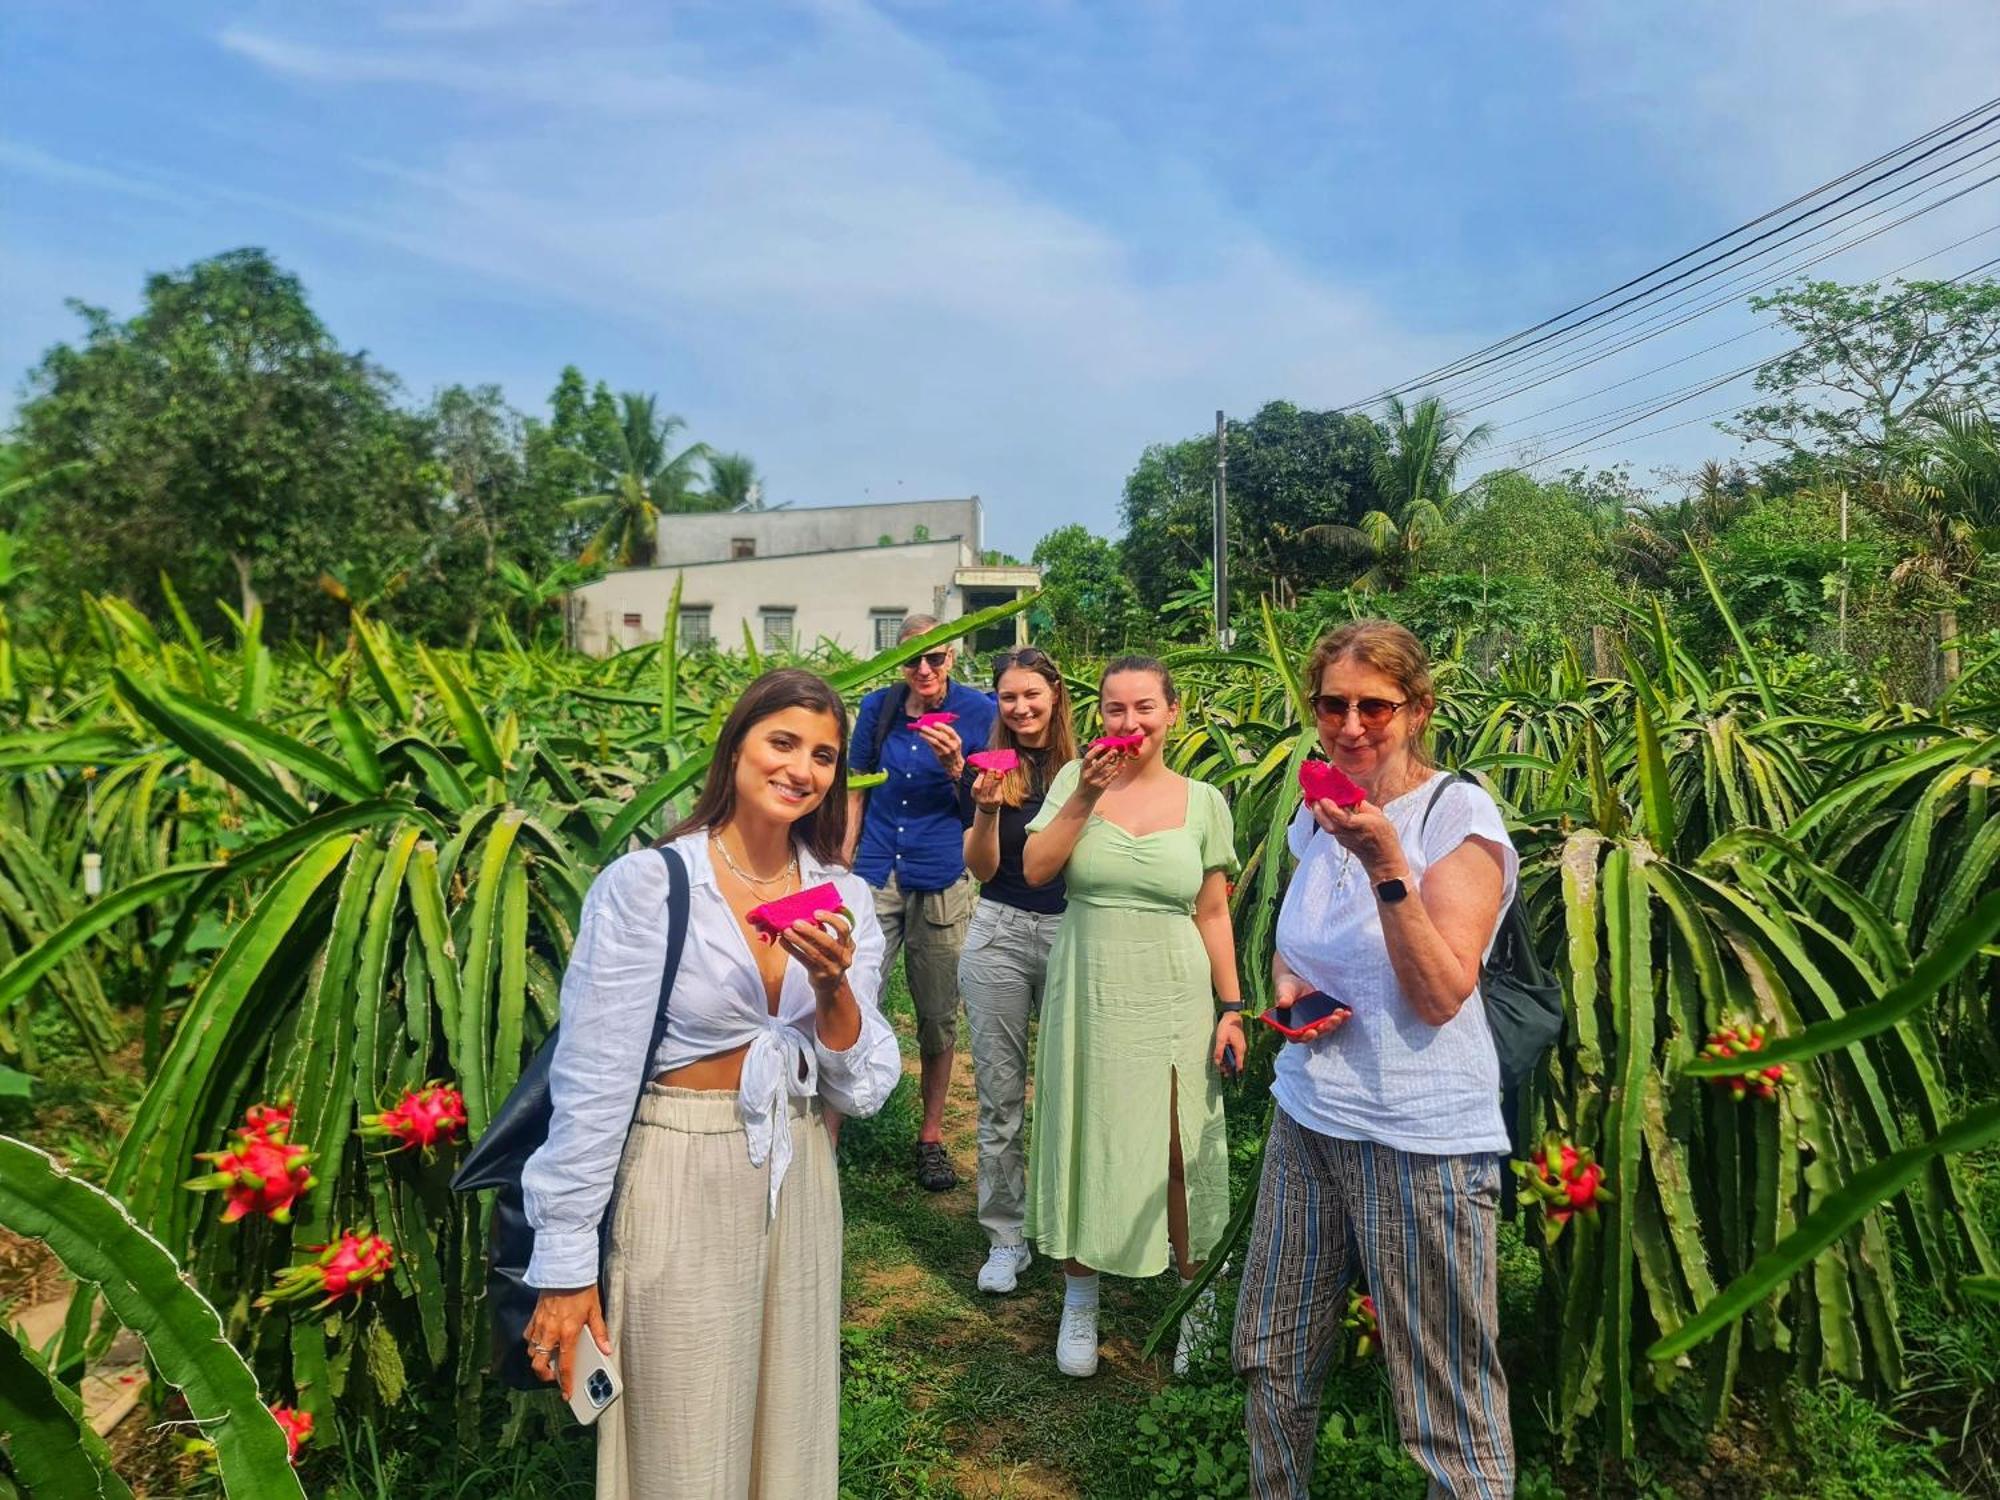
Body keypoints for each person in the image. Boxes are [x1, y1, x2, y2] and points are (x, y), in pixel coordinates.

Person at [520, 668, 901, 1499]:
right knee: (681, 1433)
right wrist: (566, 1263)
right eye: (784, 742)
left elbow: (864, 1084)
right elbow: (592, 1082)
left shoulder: (842, 898)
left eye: (826, 755)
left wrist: (833, 987)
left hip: (798, 1166)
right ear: (737, 749)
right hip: (677, 1161)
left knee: (792, 1421)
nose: (803, 769)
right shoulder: (650, 885)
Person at [1233, 620, 1518, 1499]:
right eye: (1332, 705)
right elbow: (1295, 943)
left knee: (1447, 1397)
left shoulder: (1457, 816)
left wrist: (1387, 861)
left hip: (1421, 1139)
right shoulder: (1313, 817)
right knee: (1271, 1355)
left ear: (1418, 709)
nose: (1351, 725)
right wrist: (1289, 990)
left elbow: (1440, 992)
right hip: (1309, 1116)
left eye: (1375, 707)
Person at [1021, 655, 1243, 1378]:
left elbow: (1213, 911)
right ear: (1099, 719)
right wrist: (1085, 795)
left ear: (1172, 714)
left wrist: (1232, 1007)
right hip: (1089, 984)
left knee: (1181, 1142)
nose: (1130, 723)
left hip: (1175, 989)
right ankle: (1080, 1301)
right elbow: (1035, 870)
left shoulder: (1203, 800)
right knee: (1085, 1132)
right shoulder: (1070, 781)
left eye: (1145, 707)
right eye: (1115, 709)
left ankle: (1196, 1299)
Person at [845, 615, 997, 1190]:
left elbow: (985, 806)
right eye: (913, 660)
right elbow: (858, 790)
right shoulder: (877, 710)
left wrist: (958, 767)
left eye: (936, 658)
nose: (925, 670)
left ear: (953, 657)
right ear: (898, 663)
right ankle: (838, 1120)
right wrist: (843, 867)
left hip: (941, 869)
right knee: (855, 993)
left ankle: (930, 1135)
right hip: (877, 867)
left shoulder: (980, 714)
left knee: (936, 1012)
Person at [954, 645, 1076, 1295]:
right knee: (1001, 1098)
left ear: (1055, 694)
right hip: (998, 929)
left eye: (1032, 694)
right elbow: (978, 868)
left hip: (1072, 932)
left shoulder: (1087, 768)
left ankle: (1063, 1226)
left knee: (1066, 1095)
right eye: (1009, 697)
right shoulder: (985, 770)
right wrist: (987, 805)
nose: (1022, 707)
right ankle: (1006, 1236)